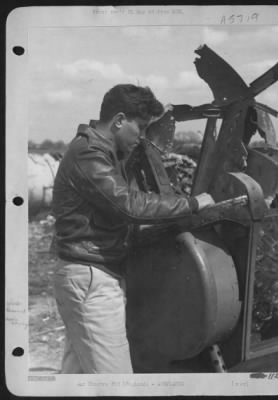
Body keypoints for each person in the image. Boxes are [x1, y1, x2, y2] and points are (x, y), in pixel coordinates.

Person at [52, 84, 214, 374]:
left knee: (75, 381)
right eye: (139, 128)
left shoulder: (101, 153)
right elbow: (129, 204)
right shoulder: (88, 155)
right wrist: (192, 203)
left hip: (86, 274)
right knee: (118, 383)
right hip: (91, 279)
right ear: (118, 120)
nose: (141, 138)